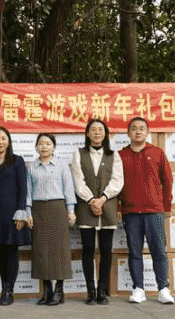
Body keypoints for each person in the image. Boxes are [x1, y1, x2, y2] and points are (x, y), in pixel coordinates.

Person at [119, 117, 175, 305]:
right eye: (134, 129)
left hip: (154, 211)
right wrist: (119, 207)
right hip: (130, 211)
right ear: (128, 133)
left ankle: (163, 289)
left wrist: (166, 206)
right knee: (134, 252)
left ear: (147, 132)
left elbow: (167, 180)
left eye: (142, 128)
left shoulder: (157, 153)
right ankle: (138, 289)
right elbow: (115, 184)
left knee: (159, 251)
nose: (138, 132)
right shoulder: (121, 155)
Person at [69, 119, 123, 305]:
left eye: (101, 129)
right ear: (87, 134)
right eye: (93, 129)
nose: (97, 132)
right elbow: (78, 180)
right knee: (88, 249)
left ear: (105, 134)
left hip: (107, 206)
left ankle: (102, 291)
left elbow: (118, 181)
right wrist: (91, 200)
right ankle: (90, 291)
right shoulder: (78, 153)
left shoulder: (114, 155)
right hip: (86, 207)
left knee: (106, 250)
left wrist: (103, 199)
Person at [26, 133, 76, 306]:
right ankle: (47, 290)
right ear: (36, 147)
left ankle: (59, 290)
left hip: (58, 208)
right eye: (41, 143)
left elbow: (68, 188)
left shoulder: (61, 164)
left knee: (60, 250)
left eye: (48, 143)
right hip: (38, 210)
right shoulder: (32, 166)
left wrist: (71, 210)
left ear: (54, 147)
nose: (44, 146)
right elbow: (28, 191)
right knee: (41, 250)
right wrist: (28, 212)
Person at [0, 126, 30, 306]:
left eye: (3, 138)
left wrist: (21, 213)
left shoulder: (17, 161)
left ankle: (9, 291)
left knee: (11, 252)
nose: (0, 142)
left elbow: (23, 188)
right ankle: (4, 288)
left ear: (9, 141)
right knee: (1, 252)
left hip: (13, 214)